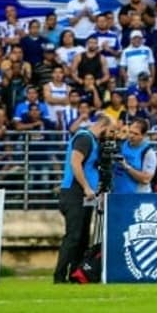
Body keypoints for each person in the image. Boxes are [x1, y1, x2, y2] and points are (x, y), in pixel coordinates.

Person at [55, 115, 114, 283]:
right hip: (76, 192)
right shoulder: (84, 138)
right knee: (73, 237)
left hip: (86, 195)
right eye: (110, 131)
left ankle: (75, 274)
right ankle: (59, 276)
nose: (110, 136)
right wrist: (87, 187)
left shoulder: (92, 141)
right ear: (103, 126)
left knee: (82, 238)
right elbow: (75, 163)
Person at [112, 118, 157, 194]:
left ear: (143, 135)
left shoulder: (148, 153)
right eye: (130, 132)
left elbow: (146, 179)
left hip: (137, 197)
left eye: (136, 134)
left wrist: (126, 166)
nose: (131, 136)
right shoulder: (120, 144)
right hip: (117, 194)